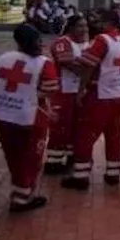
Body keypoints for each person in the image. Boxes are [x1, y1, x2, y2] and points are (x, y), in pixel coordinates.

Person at [0, 24, 58, 212]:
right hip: (31, 117)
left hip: (3, 114)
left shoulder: (2, 59)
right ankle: (23, 196)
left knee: (14, 155)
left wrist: (8, 98)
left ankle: (20, 190)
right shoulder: (43, 63)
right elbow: (50, 89)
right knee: (32, 157)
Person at [62, 8, 120, 190]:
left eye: (100, 20)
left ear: (108, 22)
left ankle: (81, 175)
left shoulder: (102, 40)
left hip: (101, 95)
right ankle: (113, 173)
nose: (96, 24)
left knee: (85, 134)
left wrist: (81, 90)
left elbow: (88, 66)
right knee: (114, 135)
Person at [44, 14, 89, 174]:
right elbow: (69, 64)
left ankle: (71, 156)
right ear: (71, 28)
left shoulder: (85, 44)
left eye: (85, 26)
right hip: (63, 92)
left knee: (77, 126)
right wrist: (91, 72)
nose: (84, 29)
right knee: (60, 126)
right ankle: (53, 162)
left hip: (79, 92)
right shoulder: (62, 43)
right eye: (80, 26)